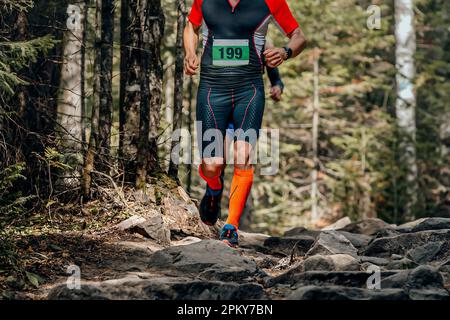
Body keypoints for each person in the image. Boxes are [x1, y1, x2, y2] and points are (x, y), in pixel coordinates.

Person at [184, 0, 307, 246]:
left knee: (244, 155)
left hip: (248, 90)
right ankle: (214, 189)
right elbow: (191, 27)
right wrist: (190, 53)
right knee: (212, 164)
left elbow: (298, 36)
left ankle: (231, 226)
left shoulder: (271, 1)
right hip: (212, 89)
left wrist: (285, 52)